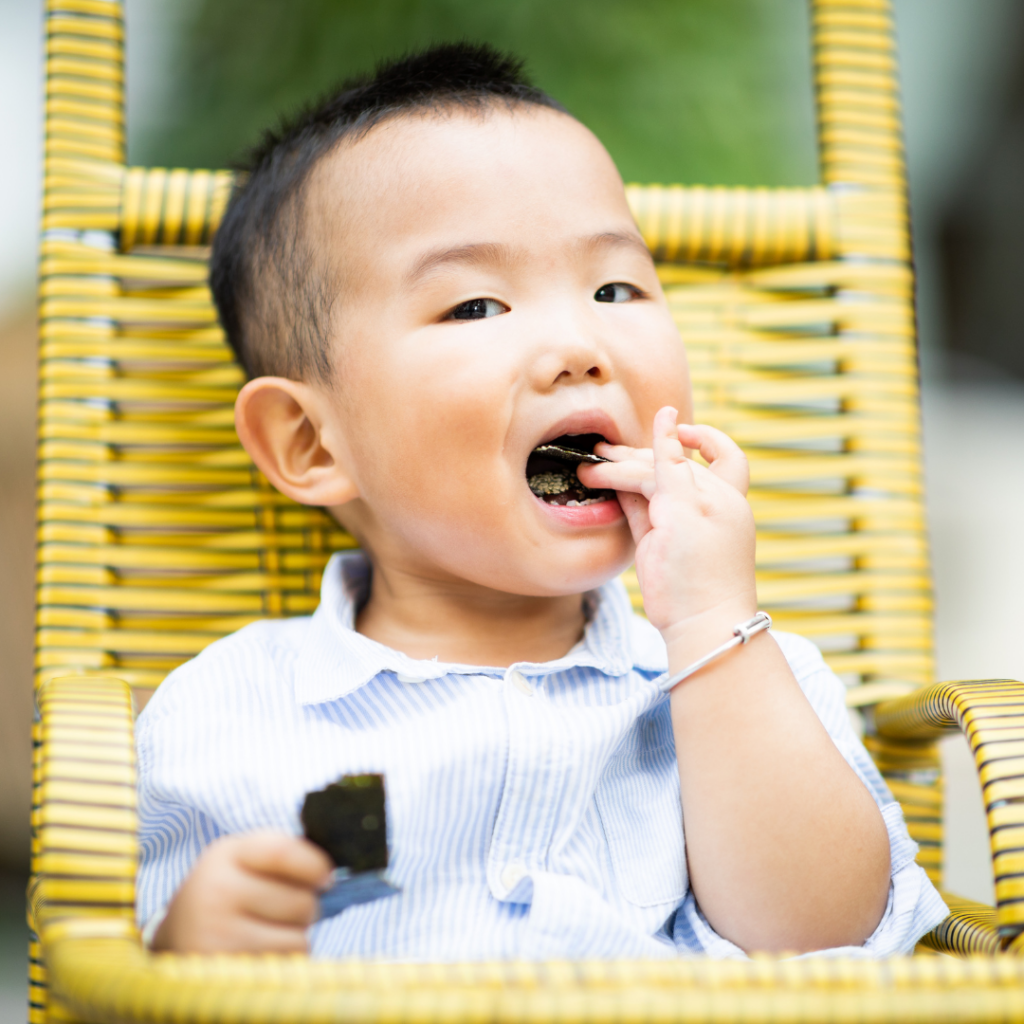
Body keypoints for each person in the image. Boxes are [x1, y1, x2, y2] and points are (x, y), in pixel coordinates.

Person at [136, 43, 947, 960]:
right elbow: (104, 985)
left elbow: (823, 944)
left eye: (615, 287)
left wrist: (714, 622)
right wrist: (185, 956)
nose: (578, 343)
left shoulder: (749, 679)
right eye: (476, 306)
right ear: (312, 443)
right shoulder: (226, 711)